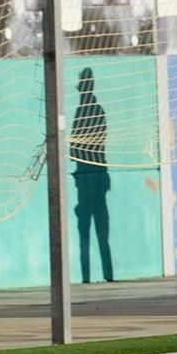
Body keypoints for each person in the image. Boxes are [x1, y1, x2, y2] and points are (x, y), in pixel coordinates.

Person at [70, 67, 113, 284]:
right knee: (89, 232)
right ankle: (91, 277)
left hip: (92, 177)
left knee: (95, 232)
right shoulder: (85, 110)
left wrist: (75, 149)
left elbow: (78, 145)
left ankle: (104, 275)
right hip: (87, 177)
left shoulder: (92, 110)